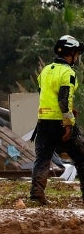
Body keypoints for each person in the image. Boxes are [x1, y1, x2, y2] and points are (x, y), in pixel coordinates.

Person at [29, 34, 83, 206]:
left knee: (42, 159)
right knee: (81, 156)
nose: (78, 57)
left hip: (43, 121)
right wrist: (68, 123)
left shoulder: (46, 70)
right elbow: (63, 98)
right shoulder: (68, 72)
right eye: (77, 53)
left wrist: (67, 108)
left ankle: (37, 193)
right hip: (60, 122)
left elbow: (46, 93)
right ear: (71, 53)